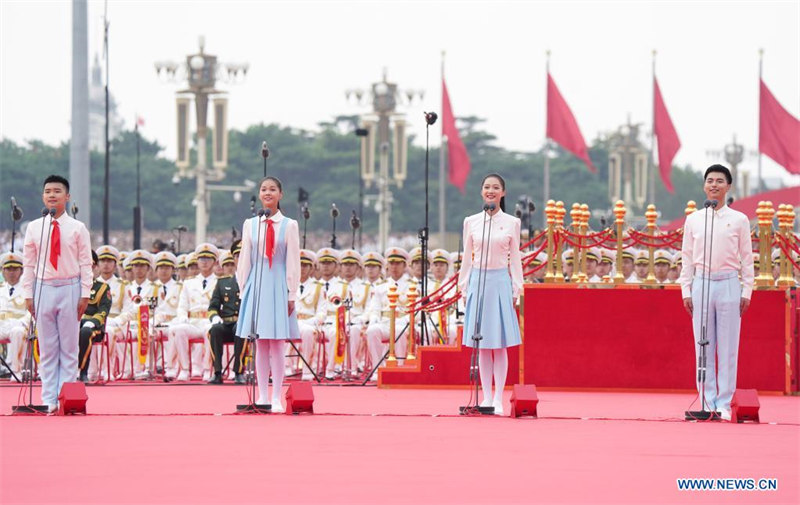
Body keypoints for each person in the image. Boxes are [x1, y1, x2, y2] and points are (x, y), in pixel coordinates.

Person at [679, 164, 754, 421]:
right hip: (701, 283)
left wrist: (748, 291)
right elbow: (686, 258)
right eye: (710, 180)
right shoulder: (694, 219)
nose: (714, 185)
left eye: (719, 181)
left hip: (729, 283)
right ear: (704, 185)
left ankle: (724, 403)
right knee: (703, 346)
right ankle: (706, 400)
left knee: (728, 346)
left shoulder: (740, 220)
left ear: (728, 186)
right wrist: (685, 289)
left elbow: (747, 258)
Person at [22, 175, 92, 412]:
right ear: (43, 196)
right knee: (48, 346)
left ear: (67, 196)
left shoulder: (78, 228)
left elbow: (85, 263)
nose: (52, 195)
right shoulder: (33, 227)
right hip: (43, 287)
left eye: (57, 191)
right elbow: (28, 264)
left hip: (70, 286)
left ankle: (67, 397)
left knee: (69, 348)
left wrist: (85, 293)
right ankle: (49, 398)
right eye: (48, 191)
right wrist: (28, 294)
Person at [458, 173, 522, 415]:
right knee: (482, 344)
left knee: (500, 344)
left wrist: (517, 286)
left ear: (503, 192)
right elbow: (466, 256)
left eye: (496, 187)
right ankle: (485, 396)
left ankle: (498, 398)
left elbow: (515, 259)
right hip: (477, 279)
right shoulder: (471, 221)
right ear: (481, 191)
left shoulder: (512, 223)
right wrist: (463, 286)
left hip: (499, 282)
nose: (491, 191)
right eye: (487, 187)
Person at [236, 176, 300, 413]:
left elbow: (293, 260)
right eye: (264, 189)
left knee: (277, 343)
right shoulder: (250, 224)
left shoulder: (289, 225)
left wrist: (291, 292)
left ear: (280, 194)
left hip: (278, 283)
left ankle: (276, 396)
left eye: (273, 189)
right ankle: (262, 394)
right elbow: (245, 259)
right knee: (260, 342)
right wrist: (244, 289)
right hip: (258, 283)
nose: (268, 193)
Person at [207, 243, 245, 385]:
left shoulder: (253, 281)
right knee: (214, 330)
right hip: (226, 323)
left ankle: (239, 371)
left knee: (241, 330)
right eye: (236, 256)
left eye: (242, 255)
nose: (239, 258)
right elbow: (213, 306)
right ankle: (217, 372)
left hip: (243, 324)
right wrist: (215, 317)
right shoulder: (223, 282)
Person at [78, 250, 112, 383]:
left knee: (85, 332)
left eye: (89, 265)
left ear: (94, 266)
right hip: (71, 322)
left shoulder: (102, 288)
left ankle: (82, 371)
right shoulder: (69, 286)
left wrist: (91, 322)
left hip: (93, 327)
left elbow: (104, 310)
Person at [0, 252, 31, 380]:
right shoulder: (1, 289)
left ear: (21, 271)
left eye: (15, 269)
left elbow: (32, 311)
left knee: (18, 332)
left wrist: (23, 323)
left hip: (19, 325)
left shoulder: (27, 289)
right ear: (3, 271)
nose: (11, 273)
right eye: (8, 269)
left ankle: (16, 370)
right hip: (2, 325)